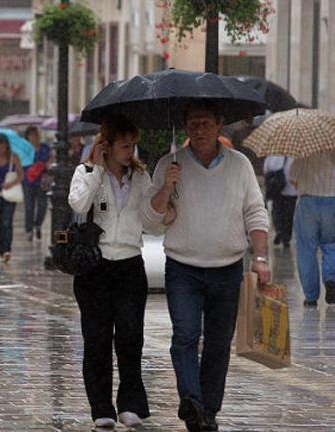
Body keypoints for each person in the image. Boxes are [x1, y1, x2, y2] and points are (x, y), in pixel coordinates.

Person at [142, 100, 270, 432]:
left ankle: (208, 410)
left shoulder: (239, 165)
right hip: (182, 267)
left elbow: (255, 212)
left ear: (218, 126)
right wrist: (167, 187)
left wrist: (260, 258)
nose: (199, 130)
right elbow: (153, 221)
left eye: (205, 124)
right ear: (185, 128)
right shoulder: (169, 164)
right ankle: (191, 401)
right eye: (193, 124)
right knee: (185, 334)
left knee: (217, 341)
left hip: (227, 267)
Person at [68, 115, 163, 430]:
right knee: (96, 339)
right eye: (125, 145)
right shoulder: (85, 172)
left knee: (130, 336)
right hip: (96, 266)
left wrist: (168, 192)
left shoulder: (140, 176)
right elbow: (79, 205)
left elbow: (150, 219)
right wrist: (96, 172)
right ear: (106, 146)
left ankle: (131, 404)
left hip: (130, 265)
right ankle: (101, 407)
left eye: (133, 145)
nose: (130, 151)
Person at [288, 151, 335, 306]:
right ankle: (331, 279)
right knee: (332, 245)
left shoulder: (302, 154)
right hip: (332, 201)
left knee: (306, 249)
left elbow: (293, 179)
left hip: (307, 202)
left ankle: (310, 296)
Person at [0, 133, 23, 263]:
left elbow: (20, 175)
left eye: (3, 146)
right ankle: (1, 251)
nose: (0, 149)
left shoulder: (14, 158)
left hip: (9, 195)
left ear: (7, 146)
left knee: (7, 222)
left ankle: (7, 250)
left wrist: (10, 184)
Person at [22, 126, 53, 241]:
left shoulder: (45, 148)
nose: (36, 137)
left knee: (43, 206)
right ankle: (29, 230)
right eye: (33, 135)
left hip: (42, 182)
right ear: (28, 137)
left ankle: (38, 224)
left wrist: (48, 163)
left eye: (37, 134)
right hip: (28, 181)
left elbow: (51, 159)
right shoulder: (25, 150)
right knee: (29, 207)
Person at [263, 156, 297, 249]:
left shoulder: (272, 156)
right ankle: (286, 238)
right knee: (289, 215)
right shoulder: (295, 158)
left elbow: (266, 170)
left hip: (276, 189)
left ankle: (278, 230)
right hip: (292, 190)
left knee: (277, 211)